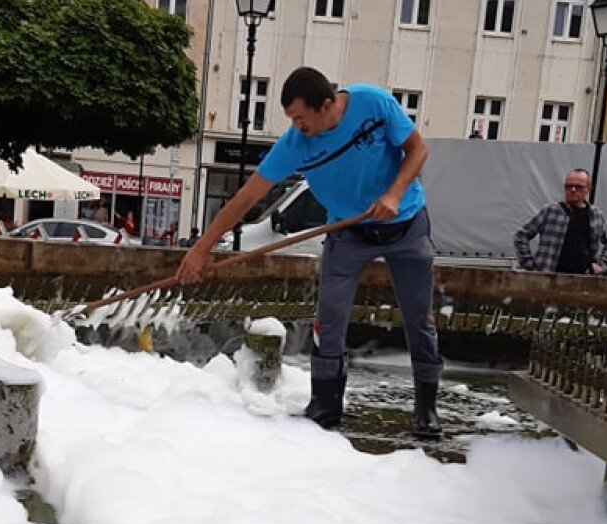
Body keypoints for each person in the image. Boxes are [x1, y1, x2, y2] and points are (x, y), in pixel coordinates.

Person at [177, 66, 441, 440]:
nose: (296, 126)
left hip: (406, 223)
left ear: (328, 104)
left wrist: (394, 194)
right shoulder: (295, 145)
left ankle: (426, 411)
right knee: (329, 318)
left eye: (301, 118)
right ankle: (325, 405)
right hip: (347, 232)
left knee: (419, 319)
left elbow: (418, 149)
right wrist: (201, 250)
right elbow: (246, 198)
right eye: (291, 119)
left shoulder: (373, 103)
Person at [513, 168, 607, 275]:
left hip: (584, 281)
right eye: (569, 186)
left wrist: (603, 265)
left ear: (588, 189)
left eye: (579, 187)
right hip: (548, 279)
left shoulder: (595, 215)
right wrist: (529, 264)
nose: (573, 190)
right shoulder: (550, 211)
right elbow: (521, 235)